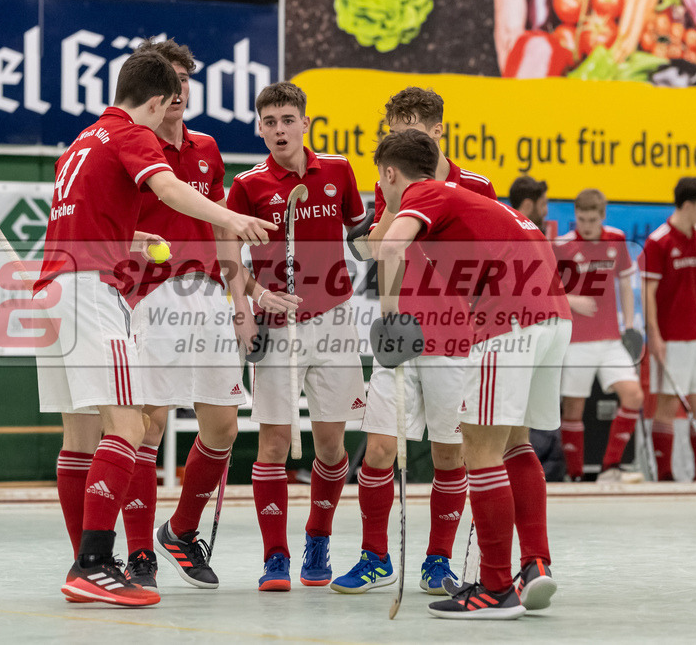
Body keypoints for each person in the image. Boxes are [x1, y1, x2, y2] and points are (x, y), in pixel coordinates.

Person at [38, 49, 275, 607]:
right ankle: (96, 563)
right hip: (94, 292)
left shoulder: (81, 142)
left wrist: (136, 240)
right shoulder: (131, 134)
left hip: (54, 287)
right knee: (128, 426)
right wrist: (233, 218)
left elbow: (89, 221)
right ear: (154, 101)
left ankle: (87, 564)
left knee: (78, 440)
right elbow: (169, 190)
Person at [100, 39, 293, 594]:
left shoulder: (206, 148)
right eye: (170, 82)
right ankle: (138, 551)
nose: (178, 92)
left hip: (209, 296)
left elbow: (220, 229)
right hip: (149, 296)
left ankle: (180, 530)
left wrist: (241, 301)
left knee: (223, 428)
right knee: (149, 426)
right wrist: (139, 240)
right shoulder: (127, 145)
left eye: (185, 80)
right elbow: (109, 221)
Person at [374, 128, 571, 619]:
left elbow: (391, 247)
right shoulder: (475, 201)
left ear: (391, 174)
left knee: (477, 452)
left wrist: (391, 315)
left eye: (382, 184)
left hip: (507, 321)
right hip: (553, 317)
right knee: (515, 443)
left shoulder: (422, 192)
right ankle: (534, 564)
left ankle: (496, 588)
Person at [331, 87, 495, 595]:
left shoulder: (477, 185)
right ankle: (375, 558)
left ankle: (438, 562)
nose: (402, 135)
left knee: (451, 454)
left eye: (413, 125)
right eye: (395, 126)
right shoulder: (392, 180)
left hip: (453, 339)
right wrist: (387, 317)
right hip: (399, 337)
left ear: (439, 129)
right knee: (379, 450)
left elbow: (488, 264)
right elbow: (382, 251)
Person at [226, 81, 368, 591]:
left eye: (288, 119)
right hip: (276, 327)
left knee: (330, 447)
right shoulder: (246, 186)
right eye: (270, 122)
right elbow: (227, 259)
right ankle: (275, 557)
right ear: (259, 128)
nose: (280, 130)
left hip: (333, 317)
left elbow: (362, 234)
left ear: (306, 123)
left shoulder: (338, 171)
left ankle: (318, 537)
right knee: (274, 443)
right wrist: (251, 300)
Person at [554, 189, 645, 483]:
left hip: (610, 340)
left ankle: (610, 467)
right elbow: (546, 288)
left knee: (633, 395)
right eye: (581, 219)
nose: (587, 225)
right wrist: (573, 300)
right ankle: (576, 475)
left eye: (592, 219)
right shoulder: (563, 246)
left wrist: (630, 326)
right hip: (576, 342)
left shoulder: (616, 239)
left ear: (602, 216)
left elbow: (625, 282)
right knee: (573, 407)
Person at [641, 177, 696, 482]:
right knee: (667, 404)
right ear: (688, 205)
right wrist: (655, 335)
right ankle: (665, 475)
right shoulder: (659, 240)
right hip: (671, 338)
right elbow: (648, 292)